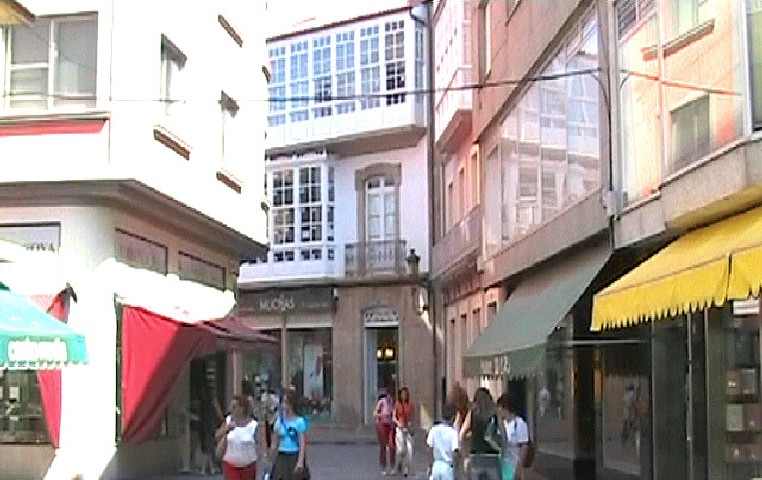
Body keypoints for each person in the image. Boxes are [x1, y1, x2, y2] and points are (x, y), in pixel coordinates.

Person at [215, 395, 261, 480]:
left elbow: (259, 446)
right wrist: (226, 429)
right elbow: (217, 436)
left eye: (234, 407)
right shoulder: (228, 420)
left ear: (242, 408)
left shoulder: (253, 425)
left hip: (248, 465)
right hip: (230, 464)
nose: (231, 409)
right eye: (231, 407)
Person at [270, 389, 309, 480]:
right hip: (281, 456)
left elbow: (302, 444)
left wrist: (300, 461)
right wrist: (270, 454)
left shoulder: (299, 422)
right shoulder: (279, 421)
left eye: (285, 402)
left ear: (291, 404)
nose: (283, 406)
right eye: (283, 402)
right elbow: (275, 442)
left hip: (294, 455)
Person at [463, 388, 500, 480]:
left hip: (476, 455)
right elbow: (503, 434)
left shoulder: (472, 414)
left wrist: (465, 455)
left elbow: (462, 433)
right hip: (492, 456)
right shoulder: (495, 414)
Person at [496, 394, 530, 480]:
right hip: (503, 464)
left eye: (500, 407)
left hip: (514, 464)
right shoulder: (502, 424)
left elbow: (524, 446)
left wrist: (519, 467)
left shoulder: (519, 423)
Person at [426, 403, 460, 480]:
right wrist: (456, 466)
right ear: (453, 417)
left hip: (436, 465)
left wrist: (430, 465)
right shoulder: (453, 433)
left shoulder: (434, 429)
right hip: (447, 466)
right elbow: (455, 451)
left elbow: (429, 448)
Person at [393, 387, 415, 478]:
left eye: (406, 394)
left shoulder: (410, 404)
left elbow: (413, 416)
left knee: (409, 450)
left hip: (408, 429)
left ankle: (406, 468)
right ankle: (398, 465)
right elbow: (394, 416)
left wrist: (411, 424)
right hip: (400, 428)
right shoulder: (397, 404)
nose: (404, 396)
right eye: (402, 394)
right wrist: (398, 423)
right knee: (401, 449)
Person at [374, 387, 396, 476]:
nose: (388, 397)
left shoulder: (392, 402)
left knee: (392, 445)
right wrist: (383, 415)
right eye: (387, 395)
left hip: (391, 425)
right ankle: (383, 466)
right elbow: (375, 413)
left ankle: (392, 465)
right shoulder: (382, 402)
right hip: (382, 425)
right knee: (383, 446)